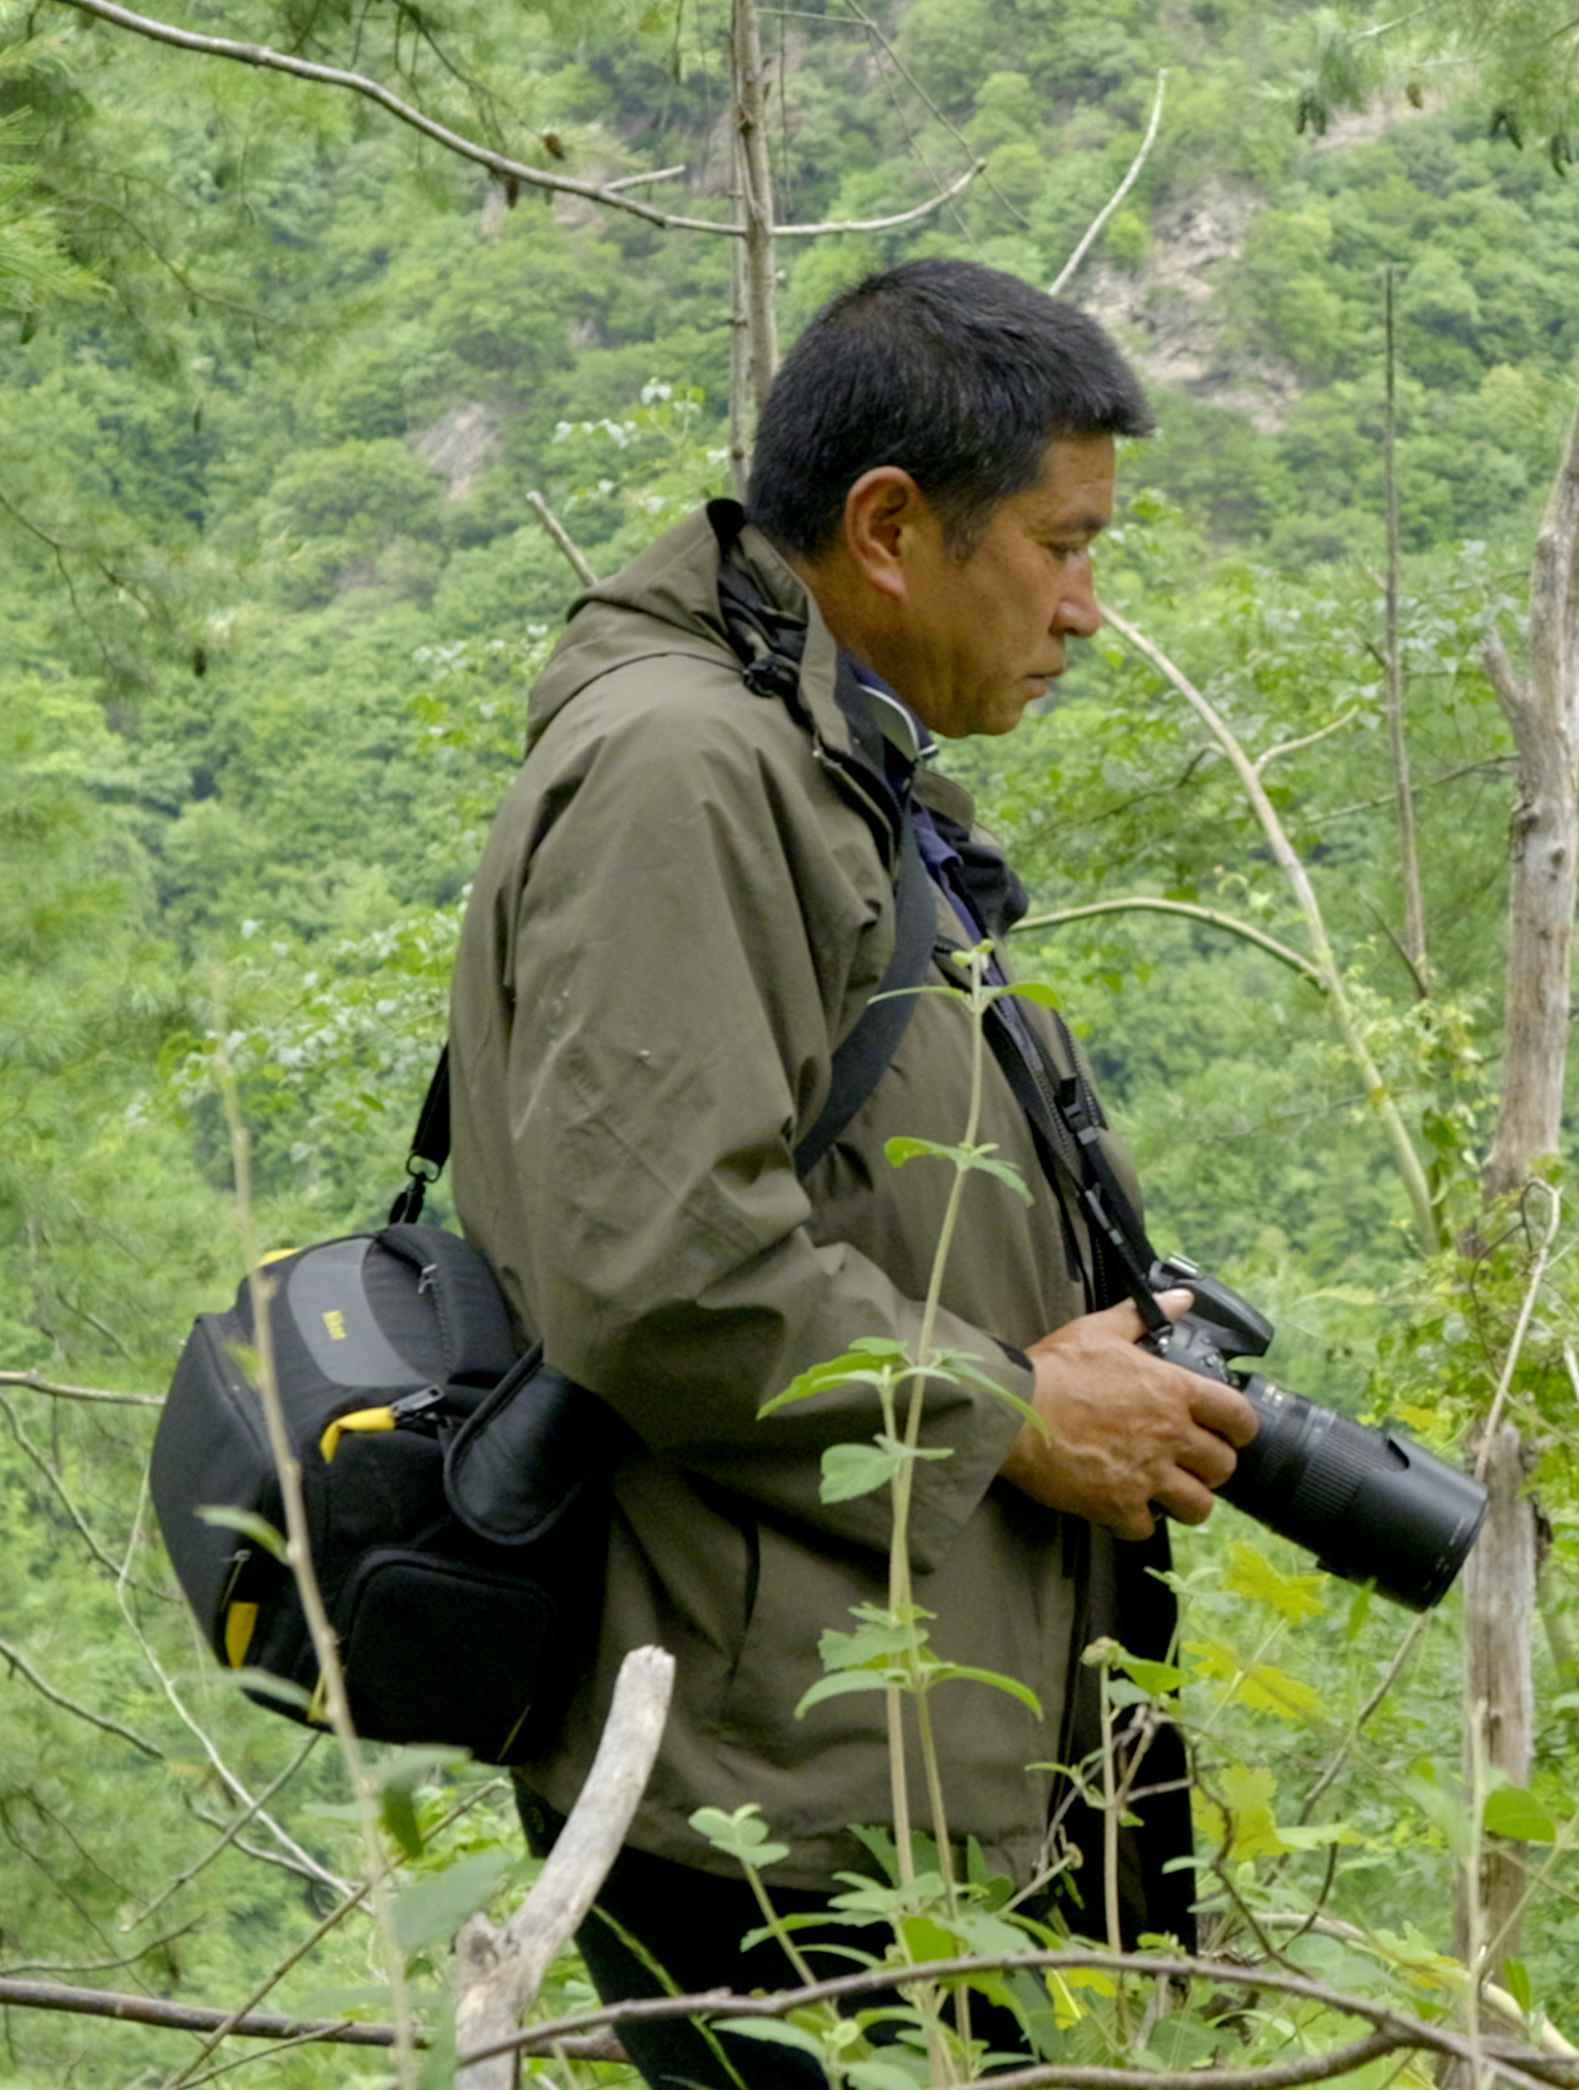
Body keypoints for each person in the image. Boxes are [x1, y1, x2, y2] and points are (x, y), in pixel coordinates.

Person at [446, 258, 1255, 2085]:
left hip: (869, 1761)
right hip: (777, 1796)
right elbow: (657, 1263)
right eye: (1062, 547)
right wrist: (1016, 1412)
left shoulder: (814, 764)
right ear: (890, 528)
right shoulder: (687, 771)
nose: (1089, 611)